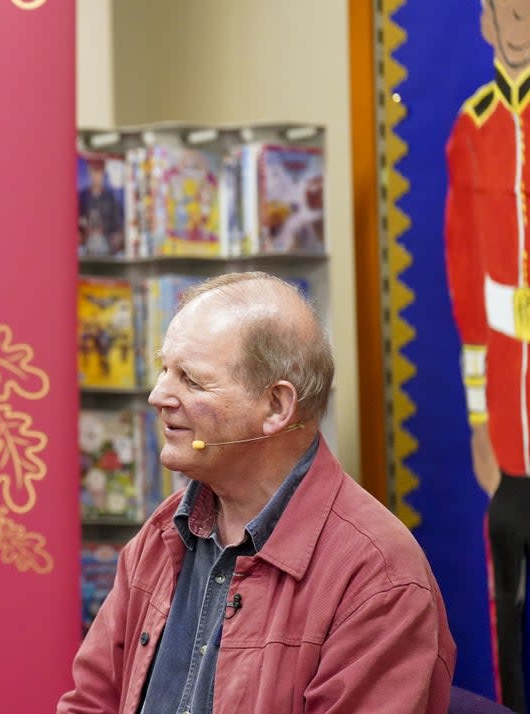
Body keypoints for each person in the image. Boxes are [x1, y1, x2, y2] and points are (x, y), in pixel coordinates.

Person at [57, 272, 456, 713]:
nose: (157, 395)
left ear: (276, 407)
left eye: (190, 379)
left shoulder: (378, 577)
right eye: (164, 369)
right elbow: (89, 703)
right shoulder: (159, 540)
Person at [444, 1, 530, 708]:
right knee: (508, 584)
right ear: (485, 20)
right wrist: (478, 417)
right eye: (507, 10)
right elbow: (466, 276)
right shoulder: (473, 127)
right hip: (504, 395)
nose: (520, 22)